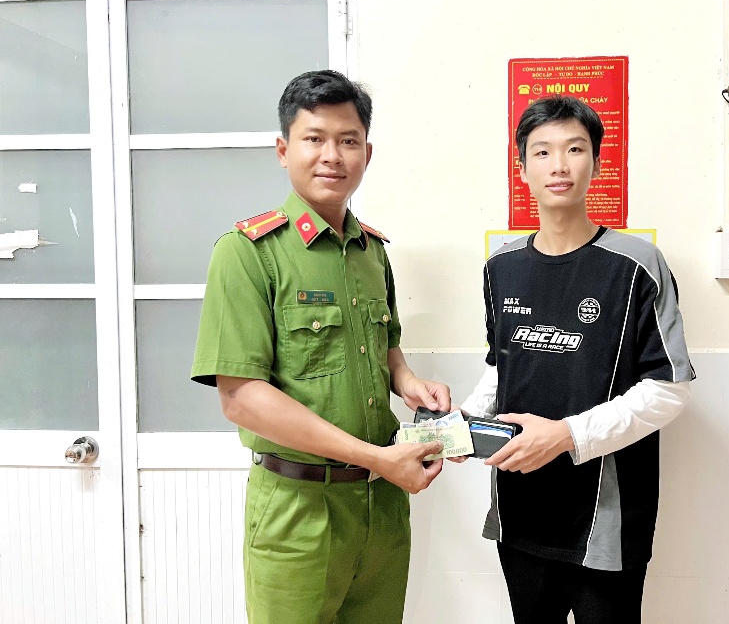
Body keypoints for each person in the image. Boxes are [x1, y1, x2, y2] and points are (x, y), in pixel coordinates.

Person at [191, 69, 450, 624]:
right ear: (283, 150)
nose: (332, 155)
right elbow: (241, 398)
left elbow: (386, 347)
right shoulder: (247, 253)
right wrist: (378, 458)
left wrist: (409, 383)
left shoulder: (371, 252)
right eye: (314, 139)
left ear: (367, 154)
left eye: (348, 140)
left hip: (381, 508)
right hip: (297, 511)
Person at [458, 95, 695, 624]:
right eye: (542, 152)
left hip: (606, 519)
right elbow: (501, 367)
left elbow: (668, 388)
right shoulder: (501, 266)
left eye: (574, 149)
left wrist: (566, 435)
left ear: (597, 163)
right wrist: (462, 426)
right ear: (522, 169)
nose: (558, 165)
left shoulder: (637, 264)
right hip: (519, 509)